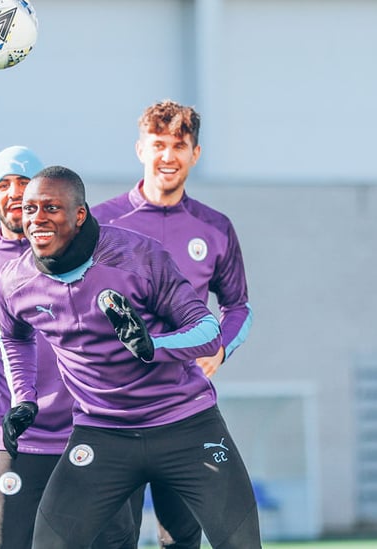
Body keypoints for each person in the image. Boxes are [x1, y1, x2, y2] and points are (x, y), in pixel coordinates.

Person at [0, 166, 262, 548]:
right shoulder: (14, 280)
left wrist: (153, 345)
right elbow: (13, 336)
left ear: (80, 215)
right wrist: (23, 398)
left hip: (185, 425)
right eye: (30, 208)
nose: (38, 218)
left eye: (51, 208)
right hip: (102, 433)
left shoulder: (137, 255)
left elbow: (207, 329)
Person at [0, 147, 135, 549]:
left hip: (95, 432)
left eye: (23, 183)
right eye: (3, 185)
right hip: (20, 440)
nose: (14, 193)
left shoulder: (93, 256)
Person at [93, 99, 253, 548]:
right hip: (112, 412)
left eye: (179, 145)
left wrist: (220, 349)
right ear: (140, 149)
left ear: (194, 154)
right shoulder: (100, 223)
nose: (168, 155)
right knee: (112, 540)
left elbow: (239, 305)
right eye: (159, 144)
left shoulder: (216, 228)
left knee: (182, 540)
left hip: (183, 412)